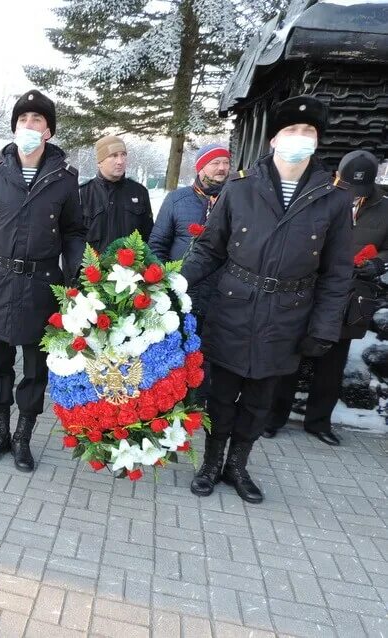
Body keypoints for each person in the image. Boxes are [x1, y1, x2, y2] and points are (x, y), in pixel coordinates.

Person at [181, 95, 353, 504]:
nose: (299, 138)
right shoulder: (240, 188)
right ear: (274, 139)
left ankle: (238, 466)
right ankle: (211, 463)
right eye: (291, 131)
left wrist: (324, 327)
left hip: (287, 317)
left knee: (260, 401)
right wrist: (174, 283)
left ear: (317, 141)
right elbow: (209, 250)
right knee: (220, 395)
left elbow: (337, 273)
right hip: (234, 307)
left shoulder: (334, 198)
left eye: (308, 132)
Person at [0, 89, 86, 472]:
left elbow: (74, 231)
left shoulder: (64, 179)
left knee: (34, 370)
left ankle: (23, 438)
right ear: (14, 128)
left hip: (42, 287)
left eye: (37, 121)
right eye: (23, 120)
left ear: (48, 131)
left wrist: (76, 274)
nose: (28, 126)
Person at [264, 150, 388, 446]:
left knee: (333, 360)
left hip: (353, 293)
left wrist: (379, 262)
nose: (354, 197)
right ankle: (273, 417)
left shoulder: (385, 208)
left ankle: (319, 422)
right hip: (309, 287)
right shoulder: (322, 196)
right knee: (292, 354)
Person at [149, 143, 231, 326]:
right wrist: (166, 280)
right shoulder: (177, 200)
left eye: (226, 162)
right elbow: (157, 244)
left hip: (221, 298)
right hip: (183, 291)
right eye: (215, 162)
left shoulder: (236, 200)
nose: (222, 168)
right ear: (200, 167)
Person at [81, 135, 153, 252]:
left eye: (123, 155)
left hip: (131, 268)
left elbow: (148, 236)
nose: (120, 161)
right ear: (100, 162)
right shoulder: (82, 194)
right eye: (113, 156)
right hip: (94, 268)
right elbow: (72, 241)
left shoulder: (139, 192)